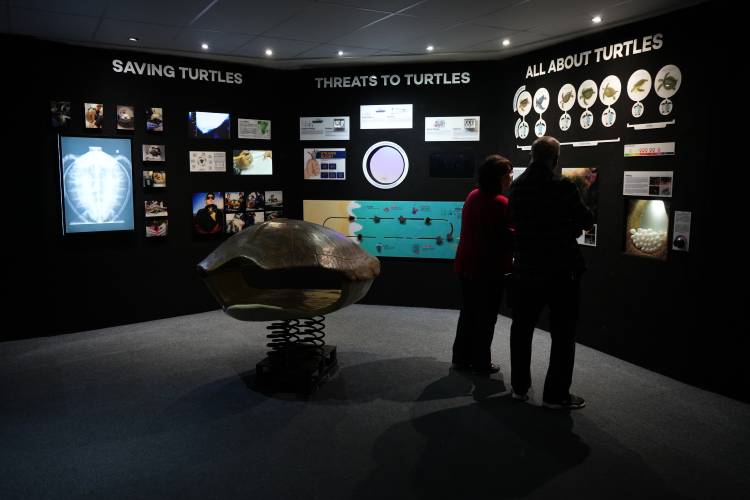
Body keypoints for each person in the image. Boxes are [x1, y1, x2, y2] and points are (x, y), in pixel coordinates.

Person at [507, 136, 594, 409]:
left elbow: (515, 223)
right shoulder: (563, 186)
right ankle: (556, 395)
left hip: (525, 268)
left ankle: (519, 387)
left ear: (532, 156)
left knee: (521, 329)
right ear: (555, 159)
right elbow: (586, 220)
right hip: (561, 270)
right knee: (563, 333)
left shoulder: (517, 186)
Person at [452, 154, 514, 374]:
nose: (511, 177)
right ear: (499, 177)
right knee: (486, 317)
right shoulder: (500, 203)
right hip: (488, 269)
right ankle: (480, 362)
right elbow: (506, 236)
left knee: (468, 312)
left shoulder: (473, 195)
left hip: (467, 264)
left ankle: (460, 358)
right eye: (508, 173)